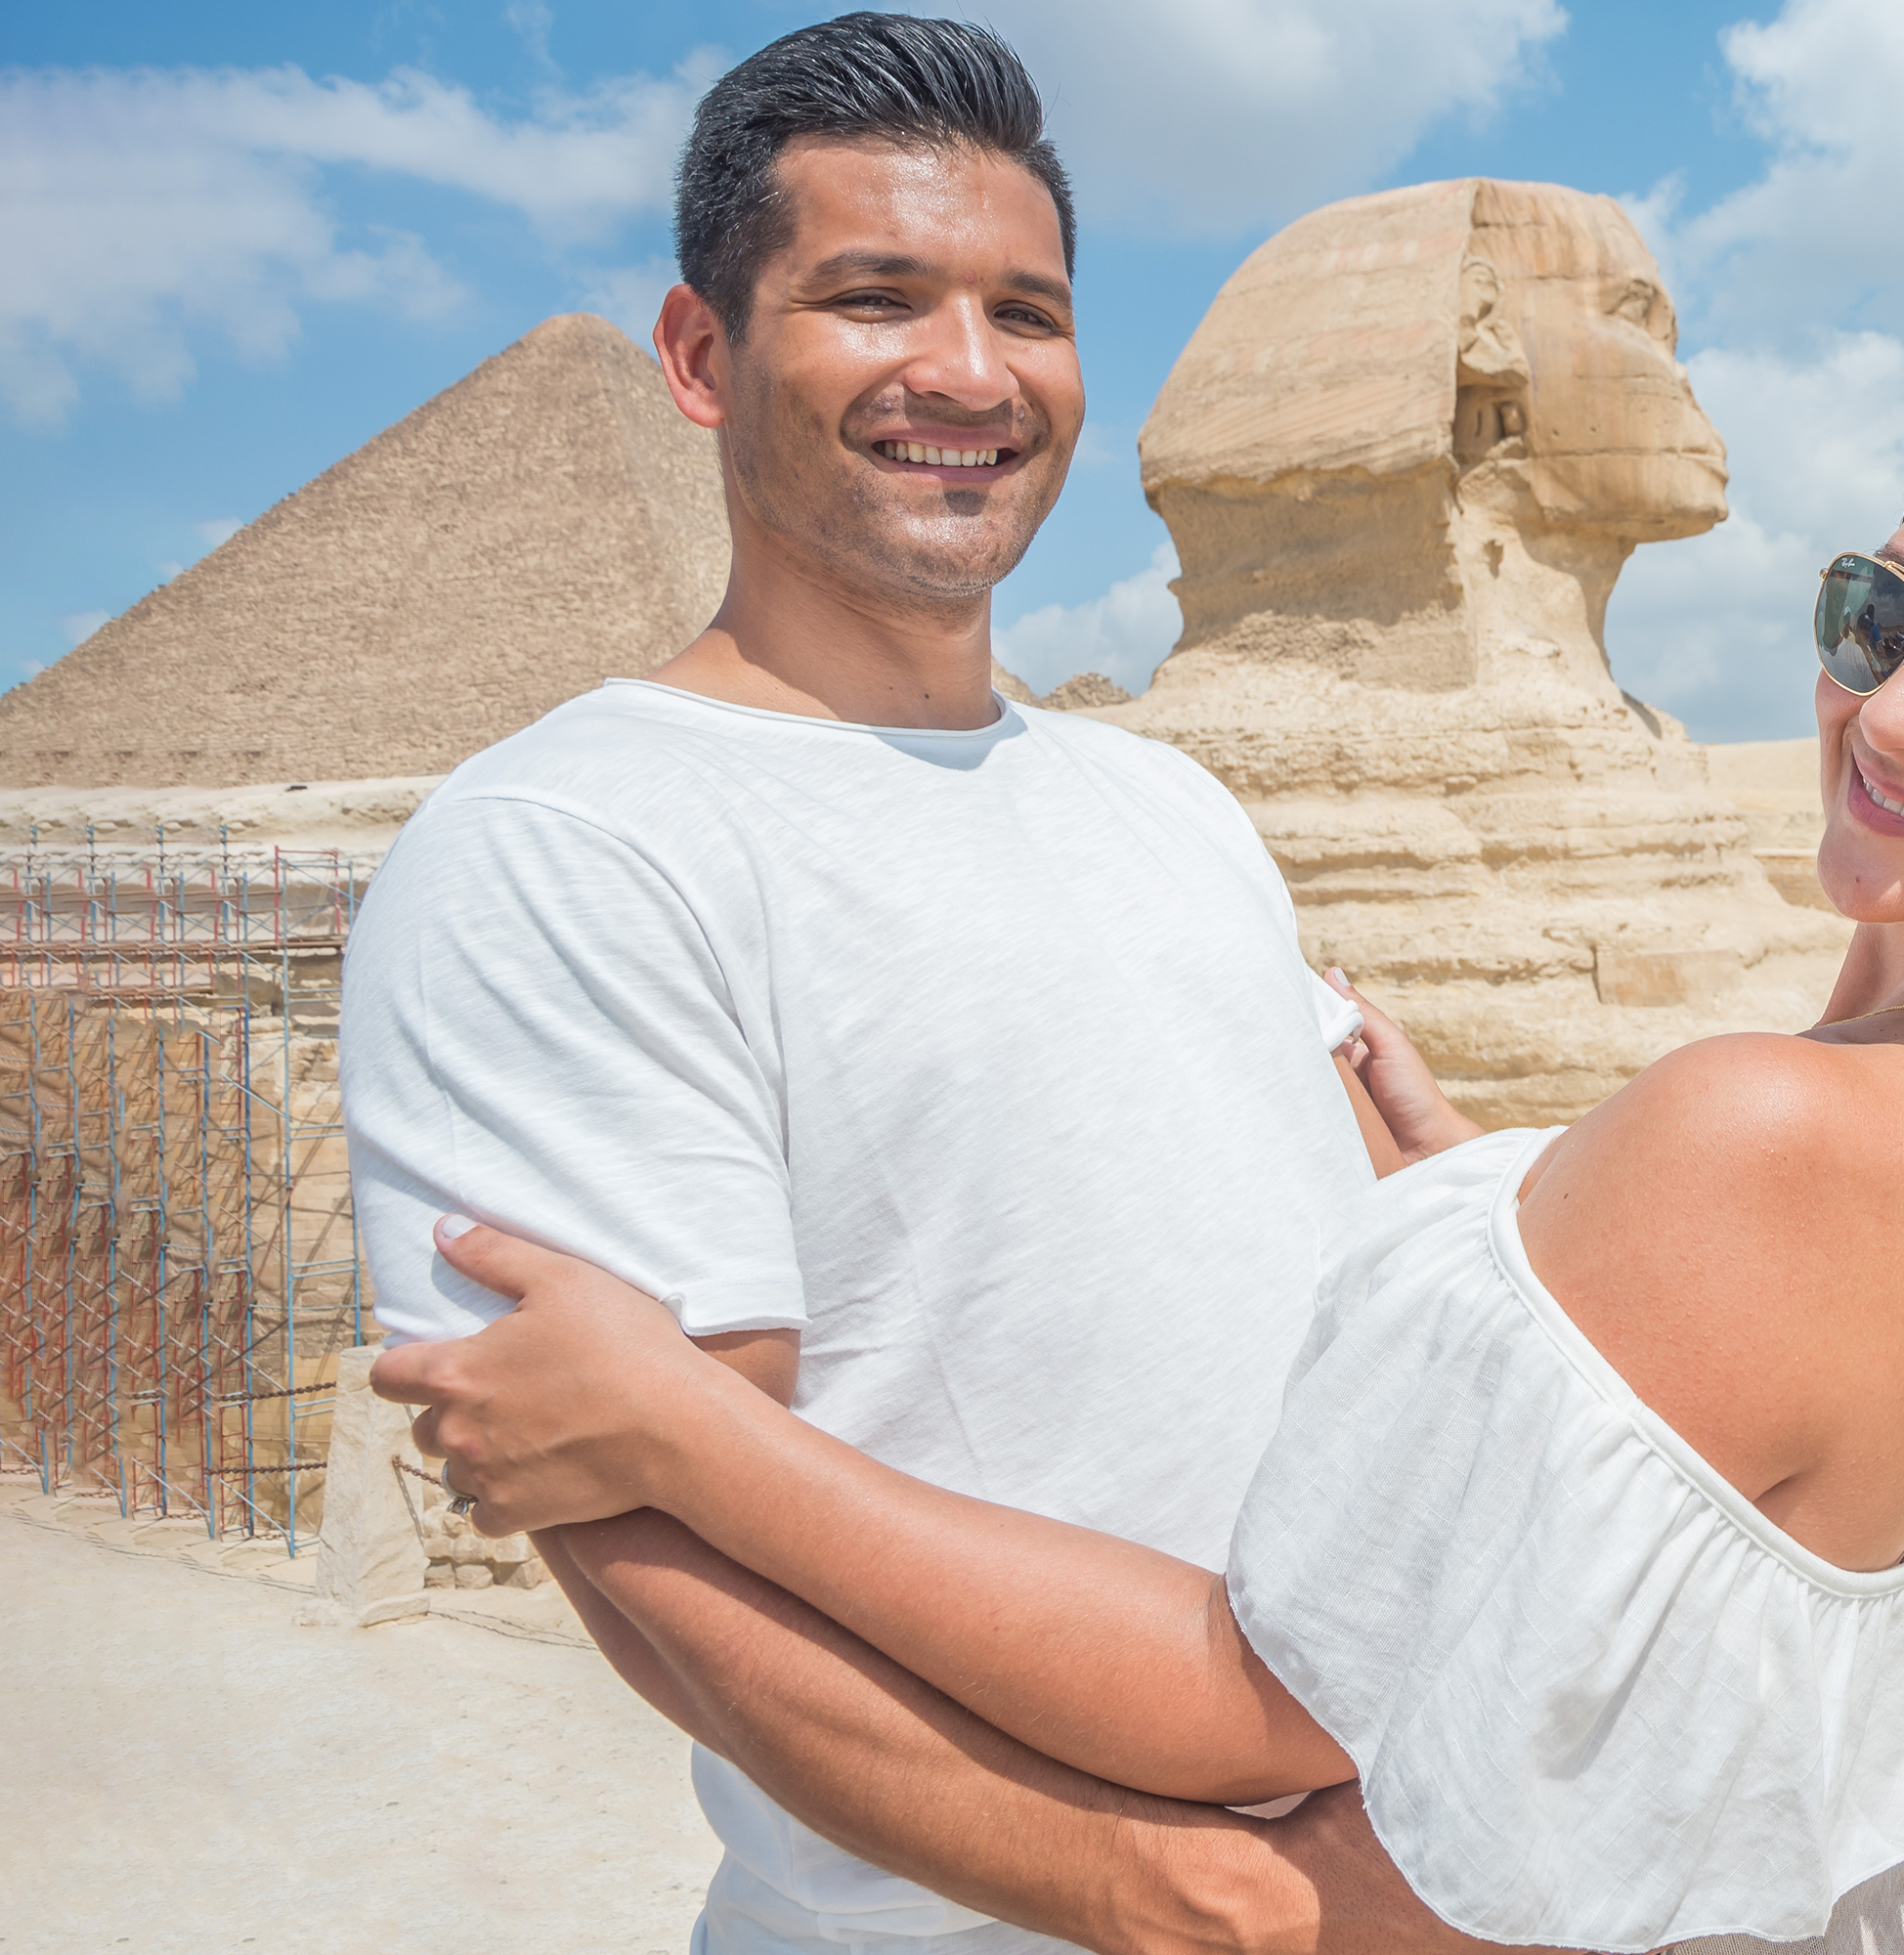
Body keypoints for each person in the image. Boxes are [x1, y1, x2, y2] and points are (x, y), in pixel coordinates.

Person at [378, 360, 1904, 1950]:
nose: (1898, 714)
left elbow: (1257, 1704)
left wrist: (680, 1426)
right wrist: (1489, 1193)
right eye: (1878, 613)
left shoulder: (1780, 1133)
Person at [342, 17, 1482, 1955]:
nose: (968, 373)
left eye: (1026, 313)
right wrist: (1178, 1894)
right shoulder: (567, 847)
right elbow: (657, 1549)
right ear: (699, 357)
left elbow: (1361, 1270)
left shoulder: (1172, 801)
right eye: (874, 299)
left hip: (1409, 1868)